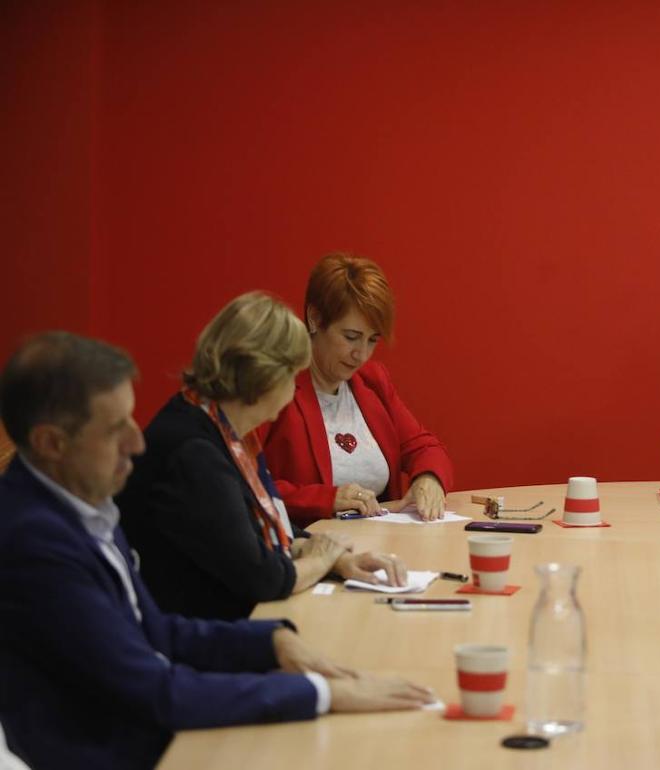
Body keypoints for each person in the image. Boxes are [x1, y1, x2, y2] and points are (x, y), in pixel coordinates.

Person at [0, 332, 434, 770]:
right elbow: (155, 692)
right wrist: (322, 693)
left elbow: (155, 631)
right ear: (52, 443)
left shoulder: (80, 499)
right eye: (115, 429)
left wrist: (273, 642)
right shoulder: (35, 543)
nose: (137, 442)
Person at [118, 292, 411, 621]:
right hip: (200, 632)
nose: (293, 391)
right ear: (265, 377)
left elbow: (268, 528)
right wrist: (323, 560)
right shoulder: (194, 452)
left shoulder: (224, 429)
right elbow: (263, 578)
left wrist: (337, 559)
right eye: (291, 378)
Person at [261, 253, 453, 526]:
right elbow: (242, 483)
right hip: (303, 550)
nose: (361, 354)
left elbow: (425, 447)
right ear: (315, 318)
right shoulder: (276, 384)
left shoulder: (371, 380)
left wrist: (429, 479)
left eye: (372, 340)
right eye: (351, 337)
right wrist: (326, 499)